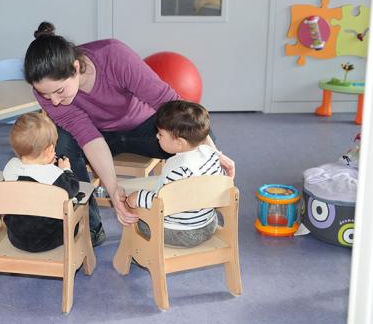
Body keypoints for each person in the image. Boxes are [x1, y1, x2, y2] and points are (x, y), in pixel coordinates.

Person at [23, 21, 235, 237]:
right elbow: (88, 136)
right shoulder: (45, 92)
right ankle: (89, 229)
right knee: (62, 143)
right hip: (101, 137)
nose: (54, 101)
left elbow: (168, 102)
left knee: (196, 138)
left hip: (147, 128)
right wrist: (114, 189)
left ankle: (196, 216)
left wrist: (212, 153)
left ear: (75, 68)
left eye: (59, 91)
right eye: (46, 95)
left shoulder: (114, 56)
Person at [126, 100, 223, 248]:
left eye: (160, 134)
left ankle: (138, 253)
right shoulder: (210, 155)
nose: (157, 137)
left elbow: (162, 202)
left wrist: (137, 197)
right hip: (209, 225)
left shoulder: (179, 169)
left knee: (134, 214)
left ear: (179, 143)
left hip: (181, 233)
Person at [2, 112, 82, 252]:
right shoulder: (53, 175)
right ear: (50, 150)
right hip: (47, 239)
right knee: (77, 210)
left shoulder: (10, 167)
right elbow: (73, 188)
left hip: (16, 238)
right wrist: (66, 170)